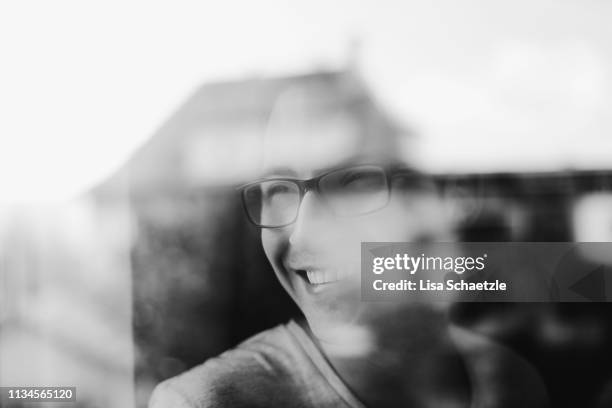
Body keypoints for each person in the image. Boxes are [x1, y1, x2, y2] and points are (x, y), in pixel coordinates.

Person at [149, 78, 547, 408]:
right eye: (279, 189)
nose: (302, 235)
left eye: (351, 183)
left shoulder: (507, 378)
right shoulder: (207, 403)